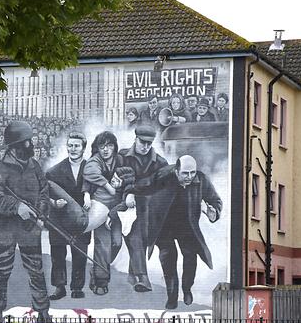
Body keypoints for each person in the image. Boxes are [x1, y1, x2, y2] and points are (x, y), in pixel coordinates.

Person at [0, 121, 52, 323]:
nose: (31, 145)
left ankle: (43, 312)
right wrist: (17, 206)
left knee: (36, 270)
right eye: (27, 142)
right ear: (15, 146)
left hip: (29, 229)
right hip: (5, 231)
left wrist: (40, 214)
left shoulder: (35, 167)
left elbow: (44, 191)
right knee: (1, 271)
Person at [145, 155, 223, 309]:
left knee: (190, 256)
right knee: (168, 258)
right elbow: (144, 188)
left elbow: (216, 200)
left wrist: (211, 210)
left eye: (192, 173)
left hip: (186, 225)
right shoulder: (163, 176)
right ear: (176, 171)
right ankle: (172, 296)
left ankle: (187, 289)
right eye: (185, 173)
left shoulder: (201, 180)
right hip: (164, 225)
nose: (189, 177)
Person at [119, 124, 168, 293]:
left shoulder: (160, 162)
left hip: (149, 209)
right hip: (123, 206)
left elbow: (164, 188)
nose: (146, 147)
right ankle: (142, 278)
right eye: (143, 142)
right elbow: (114, 180)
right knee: (136, 236)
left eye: (149, 143)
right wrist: (128, 194)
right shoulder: (122, 156)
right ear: (135, 138)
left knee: (142, 237)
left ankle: (133, 275)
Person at [45, 132, 90, 300]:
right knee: (58, 254)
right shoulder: (54, 171)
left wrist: (89, 196)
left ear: (83, 148)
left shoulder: (91, 169)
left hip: (81, 220)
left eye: (77, 146)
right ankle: (59, 287)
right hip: (59, 219)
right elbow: (43, 195)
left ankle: (77, 287)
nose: (73, 149)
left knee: (80, 253)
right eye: (70, 145)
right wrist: (53, 203)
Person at [83, 131, 128, 295]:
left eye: (109, 145)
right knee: (103, 244)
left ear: (114, 147)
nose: (106, 149)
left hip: (117, 208)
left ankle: (97, 268)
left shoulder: (121, 160)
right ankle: (101, 281)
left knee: (116, 243)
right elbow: (89, 174)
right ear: (97, 148)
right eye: (102, 146)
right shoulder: (94, 161)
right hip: (100, 207)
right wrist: (90, 192)